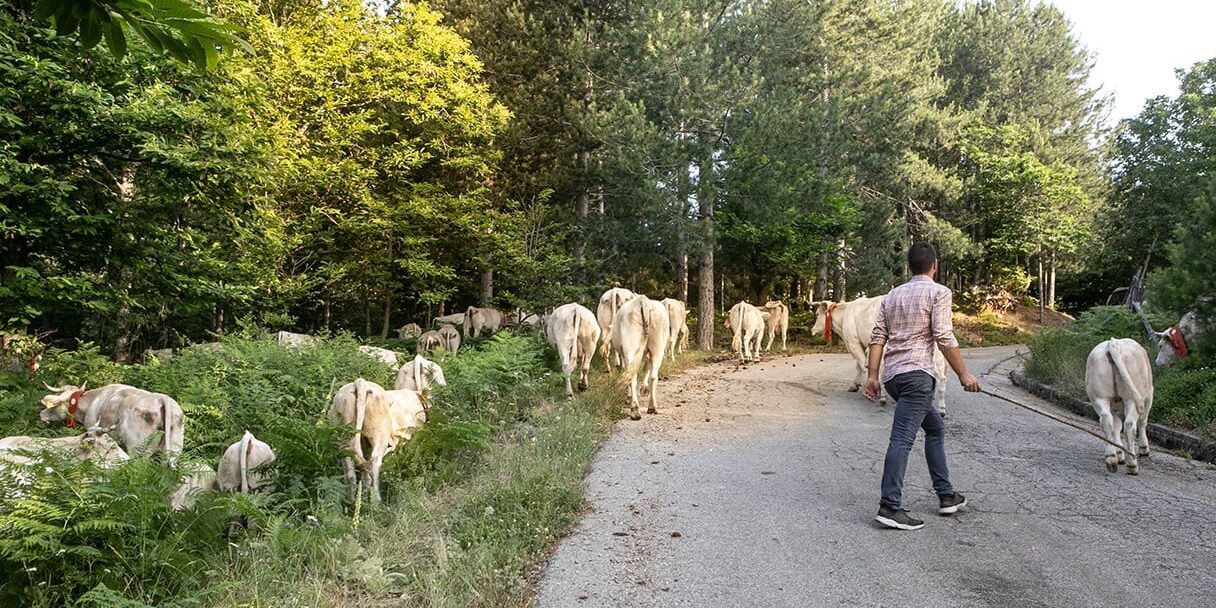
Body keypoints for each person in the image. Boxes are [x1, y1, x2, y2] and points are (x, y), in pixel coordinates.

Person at [864, 242, 981, 531]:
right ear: (935, 265)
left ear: (909, 266)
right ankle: (890, 506)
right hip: (917, 378)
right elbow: (943, 335)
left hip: (894, 378)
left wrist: (872, 376)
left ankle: (946, 495)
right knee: (902, 440)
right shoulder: (939, 292)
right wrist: (964, 374)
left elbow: (878, 336)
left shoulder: (893, 295)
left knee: (934, 428)